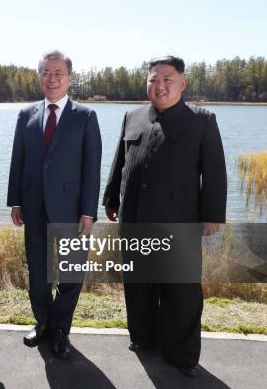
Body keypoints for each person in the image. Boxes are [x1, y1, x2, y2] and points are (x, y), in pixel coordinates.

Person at [103, 56, 227, 377]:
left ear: (182, 83)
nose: (159, 86)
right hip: (135, 216)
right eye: (153, 79)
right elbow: (120, 161)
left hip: (179, 221)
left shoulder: (202, 120)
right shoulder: (133, 116)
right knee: (139, 285)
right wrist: (111, 197)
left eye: (167, 79)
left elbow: (214, 173)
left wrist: (212, 215)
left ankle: (182, 354)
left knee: (181, 291)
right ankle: (143, 338)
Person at [7, 50, 102, 359]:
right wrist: (15, 202)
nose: (52, 78)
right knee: (38, 272)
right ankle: (43, 323)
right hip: (34, 208)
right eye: (46, 72)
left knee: (71, 274)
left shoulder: (86, 116)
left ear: (69, 78)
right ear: (40, 77)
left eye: (58, 73)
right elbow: (18, 161)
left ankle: (61, 328)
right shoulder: (26, 115)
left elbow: (92, 167)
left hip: (72, 212)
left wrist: (89, 210)